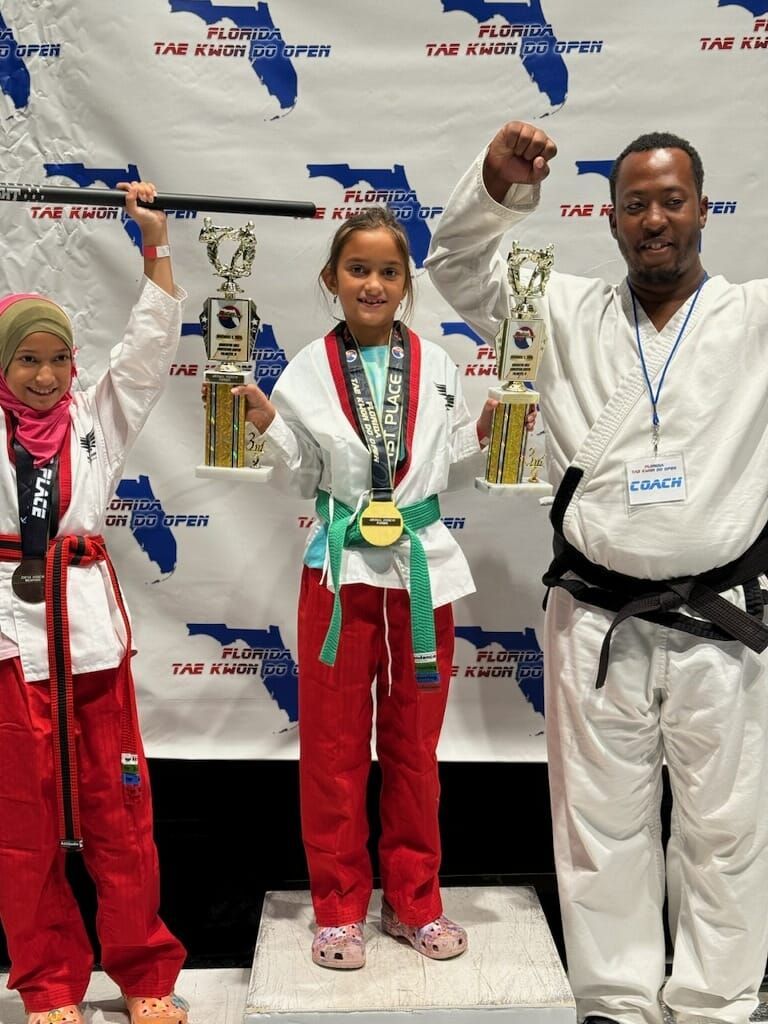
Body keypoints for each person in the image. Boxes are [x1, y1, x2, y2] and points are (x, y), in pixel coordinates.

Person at [426, 122, 768, 1024]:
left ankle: (720, 1003)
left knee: (728, 832)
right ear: (609, 220)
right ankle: (615, 1000)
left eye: (672, 200)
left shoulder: (754, 318)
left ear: (703, 210)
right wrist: (498, 191)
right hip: (594, 616)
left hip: (723, 620)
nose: (655, 219)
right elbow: (459, 268)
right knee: (599, 830)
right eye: (635, 204)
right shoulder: (561, 311)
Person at [236, 206, 512, 970]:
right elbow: (303, 474)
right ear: (332, 279)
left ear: (407, 284)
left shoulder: (440, 364)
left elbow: (449, 459)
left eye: (388, 271)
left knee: (416, 747)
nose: (373, 283)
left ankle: (415, 901)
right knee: (330, 744)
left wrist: (489, 430)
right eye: (358, 269)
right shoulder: (305, 369)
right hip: (341, 564)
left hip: (420, 568)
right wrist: (267, 423)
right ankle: (337, 908)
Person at [0, 182, 189, 1024]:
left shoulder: (93, 418)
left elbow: (147, 351)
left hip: (92, 641)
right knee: (24, 825)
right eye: (24, 360)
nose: (44, 377)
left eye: (56, 360)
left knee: (122, 810)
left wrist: (154, 244)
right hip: (11, 644)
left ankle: (144, 973)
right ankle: (46, 983)